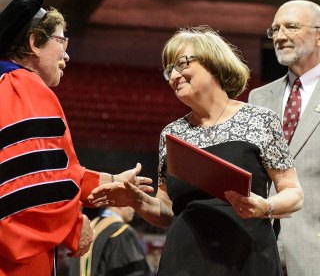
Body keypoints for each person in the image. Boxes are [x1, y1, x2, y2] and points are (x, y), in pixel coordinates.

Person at [88, 26, 304, 276]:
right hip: (184, 262)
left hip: (248, 258)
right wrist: (136, 200)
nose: (173, 76)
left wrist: (265, 207)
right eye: (169, 71)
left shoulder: (260, 119)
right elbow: (167, 210)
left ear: (213, 62)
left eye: (182, 64)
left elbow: (294, 193)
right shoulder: (172, 133)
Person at [0, 0, 152, 276]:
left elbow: (50, 171)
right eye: (61, 41)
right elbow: (30, 186)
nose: (66, 56)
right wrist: (73, 223)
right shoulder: (24, 87)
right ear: (34, 43)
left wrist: (110, 180)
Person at [248, 0, 320, 276]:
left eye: (291, 27)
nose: (279, 36)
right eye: (275, 29)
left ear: (319, 34)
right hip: (260, 249)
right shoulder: (259, 97)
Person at [68, 206, 152, 276]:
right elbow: (137, 272)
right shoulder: (121, 232)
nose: (134, 209)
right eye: (131, 202)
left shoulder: (89, 227)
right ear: (120, 202)